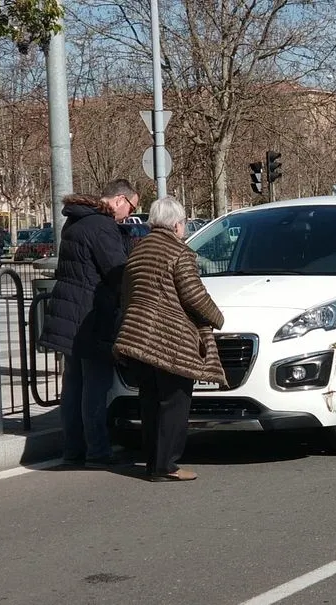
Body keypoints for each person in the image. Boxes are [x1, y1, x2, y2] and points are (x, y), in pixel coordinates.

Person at [113, 196, 226, 482]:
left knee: (150, 402)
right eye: (184, 222)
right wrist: (218, 318)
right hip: (169, 338)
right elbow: (193, 295)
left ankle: (153, 463)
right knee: (175, 402)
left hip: (138, 338)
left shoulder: (138, 252)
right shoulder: (178, 252)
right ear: (177, 224)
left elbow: (126, 297)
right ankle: (167, 466)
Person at [38, 179, 139, 468]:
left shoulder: (75, 221)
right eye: (131, 208)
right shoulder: (101, 226)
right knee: (96, 386)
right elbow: (116, 271)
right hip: (91, 316)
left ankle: (73, 449)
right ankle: (97, 451)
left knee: (74, 386)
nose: (129, 215)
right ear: (120, 200)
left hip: (69, 315)